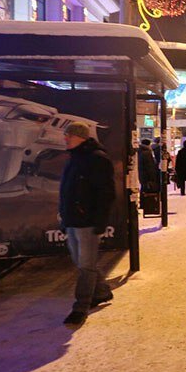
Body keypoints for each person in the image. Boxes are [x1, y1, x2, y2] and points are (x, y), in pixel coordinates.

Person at [59, 122, 115, 326]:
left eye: (69, 135)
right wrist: (64, 217)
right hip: (72, 220)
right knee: (81, 262)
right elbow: (66, 191)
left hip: (88, 222)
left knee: (86, 265)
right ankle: (102, 292)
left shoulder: (97, 159)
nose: (65, 139)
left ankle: (81, 306)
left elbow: (106, 193)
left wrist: (100, 221)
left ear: (80, 137)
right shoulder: (74, 158)